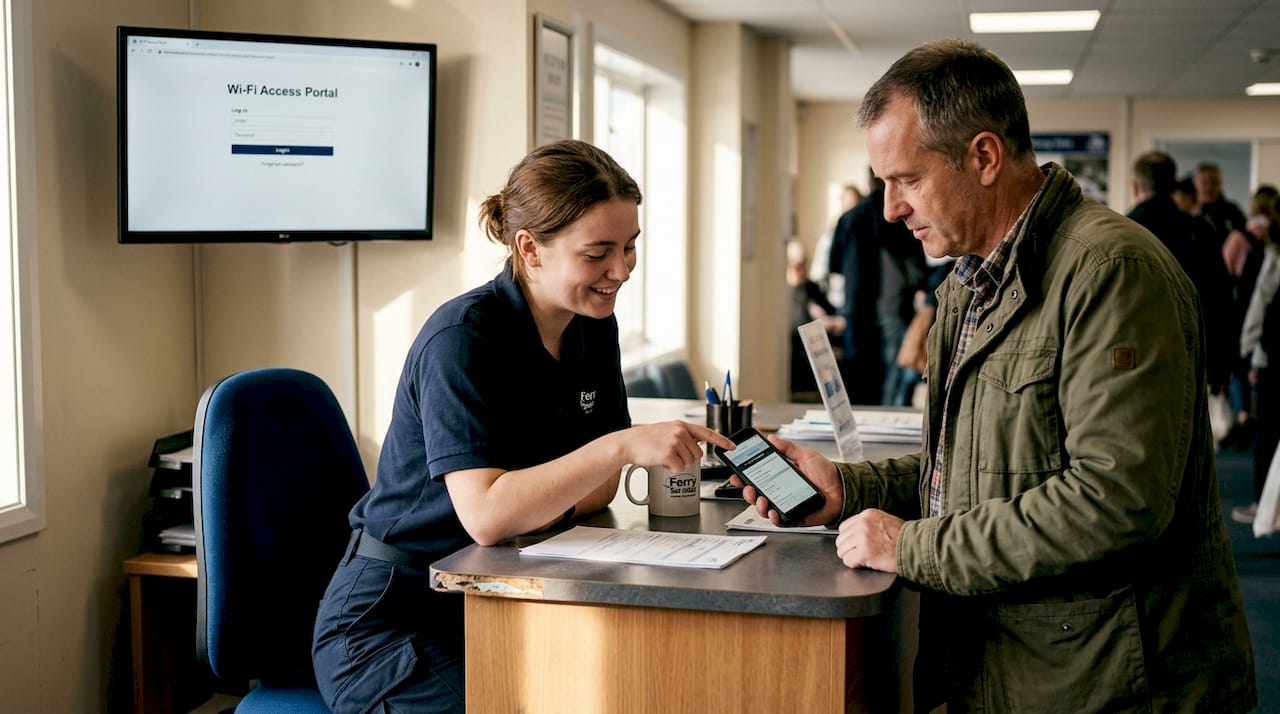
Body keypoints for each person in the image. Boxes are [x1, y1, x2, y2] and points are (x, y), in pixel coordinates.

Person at [736, 39, 1256, 712]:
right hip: (1017, 667)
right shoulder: (970, 279)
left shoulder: (1112, 273)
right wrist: (850, 486)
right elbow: (977, 464)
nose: (890, 209)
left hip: (1109, 686)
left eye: (907, 180)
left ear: (984, 157)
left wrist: (912, 546)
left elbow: (1115, 501)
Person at [312, 139, 733, 713]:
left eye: (630, 247)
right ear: (530, 248)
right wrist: (614, 449)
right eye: (598, 253)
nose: (620, 271)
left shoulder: (592, 326)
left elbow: (600, 490)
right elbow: (489, 518)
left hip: (500, 594)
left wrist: (541, 493)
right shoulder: (461, 339)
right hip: (393, 619)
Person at [1126, 150, 1233, 393]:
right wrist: (1220, 366)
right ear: (1174, 185)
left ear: (1134, 186)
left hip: (1133, 358)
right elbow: (1220, 299)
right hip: (1188, 356)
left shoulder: (1121, 232)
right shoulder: (1199, 231)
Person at [828, 169, 927, 405]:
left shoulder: (850, 218)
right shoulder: (900, 217)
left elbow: (835, 265)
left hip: (857, 313)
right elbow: (917, 266)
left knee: (861, 386)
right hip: (894, 311)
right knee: (893, 386)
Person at [786, 238, 845, 398]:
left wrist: (833, 322)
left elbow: (831, 312)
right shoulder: (785, 293)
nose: (803, 271)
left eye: (804, 265)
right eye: (798, 267)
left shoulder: (810, 287)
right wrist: (822, 324)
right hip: (800, 355)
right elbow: (797, 326)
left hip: (821, 347)